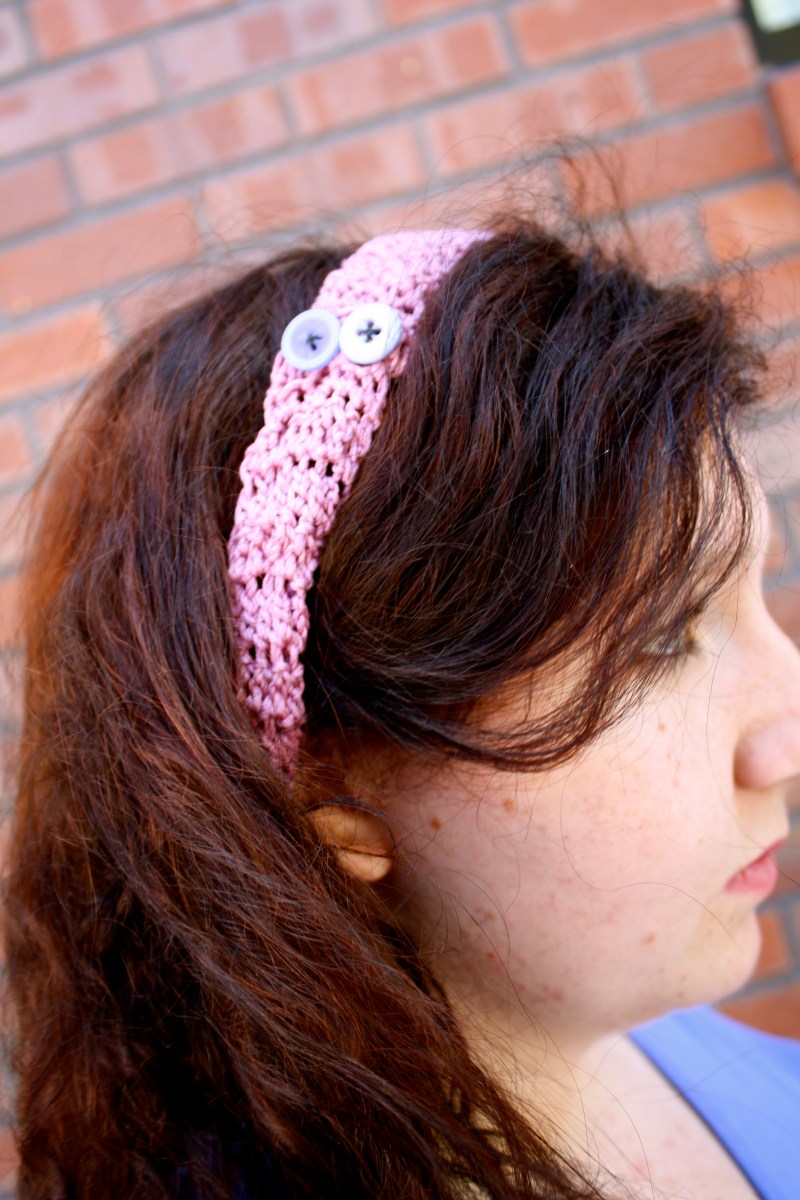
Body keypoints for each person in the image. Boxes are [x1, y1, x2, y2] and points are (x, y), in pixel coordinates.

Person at [3, 217, 800, 1200]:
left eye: (754, 594)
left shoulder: (653, 1031)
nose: (787, 734)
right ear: (330, 795)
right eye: (662, 638)